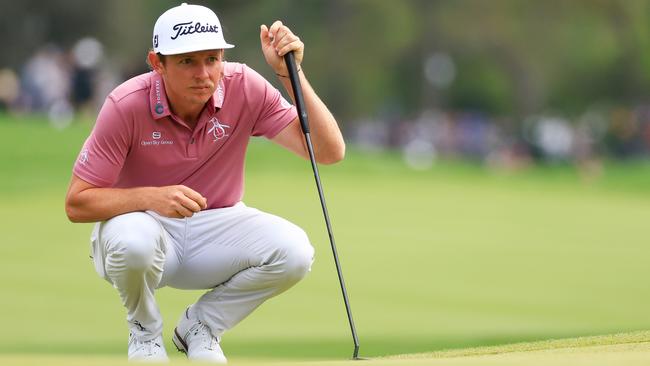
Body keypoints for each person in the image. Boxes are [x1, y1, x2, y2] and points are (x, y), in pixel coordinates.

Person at [64, 3, 344, 363]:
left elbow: (328, 150)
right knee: (134, 242)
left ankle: (201, 326)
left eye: (213, 59)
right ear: (157, 63)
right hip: (145, 230)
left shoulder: (244, 87)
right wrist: (152, 198)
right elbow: (77, 202)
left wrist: (291, 74)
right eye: (187, 61)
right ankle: (145, 333)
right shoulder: (125, 105)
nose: (203, 73)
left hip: (216, 228)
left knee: (294, 252)